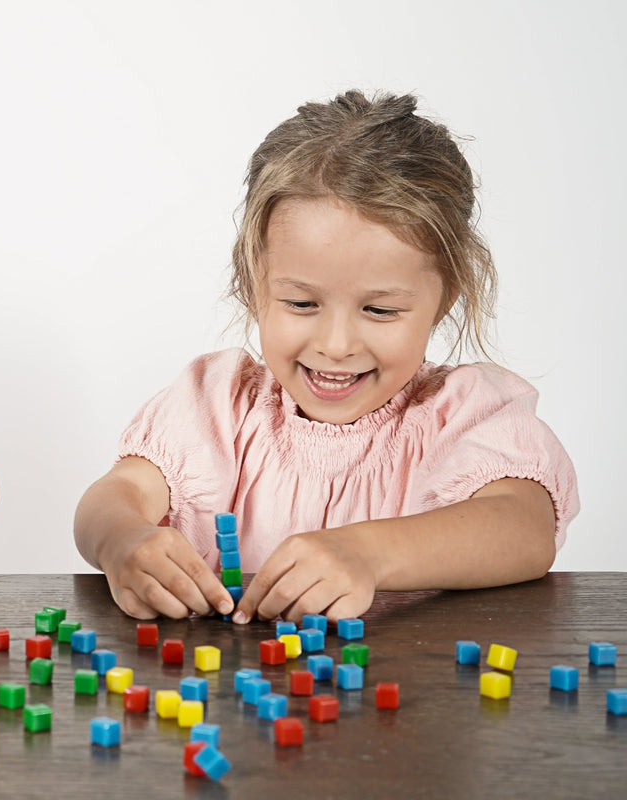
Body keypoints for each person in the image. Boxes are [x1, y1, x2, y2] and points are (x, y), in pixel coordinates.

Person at [74, 90, 578, 623]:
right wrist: (122, 542)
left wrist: (367, 554)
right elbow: (118, 494)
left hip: (412, 699)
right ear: (254, 285)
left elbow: (522, 528)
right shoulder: (218, 404)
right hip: (234, 698)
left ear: (443, 300)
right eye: (301, 303)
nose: (336, 345)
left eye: (380, 310)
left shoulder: (463, 415)